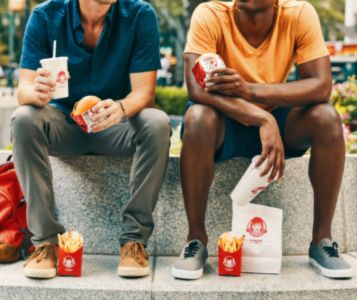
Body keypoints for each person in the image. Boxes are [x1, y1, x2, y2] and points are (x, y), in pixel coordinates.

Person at [172, 0, 353, 280]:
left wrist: (251, 92)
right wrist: (261, 119)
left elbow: (320, 85)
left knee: (327, 119)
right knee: (197, 118)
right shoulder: (209, 13)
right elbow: (196, 88)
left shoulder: (299, 13)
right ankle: (195, 239)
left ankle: (322, 241)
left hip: (279, 119)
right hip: (225, 120)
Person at [12, 0, 171, 279]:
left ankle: (134, 241)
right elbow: (23, 89)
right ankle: (46, 243)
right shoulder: (45, 16)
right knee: (24, 118)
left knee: (157, 123)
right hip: (63, 125)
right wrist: (35, 92)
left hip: (116, 125)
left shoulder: (139, 15)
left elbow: (144, 93)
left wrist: (120, 109)